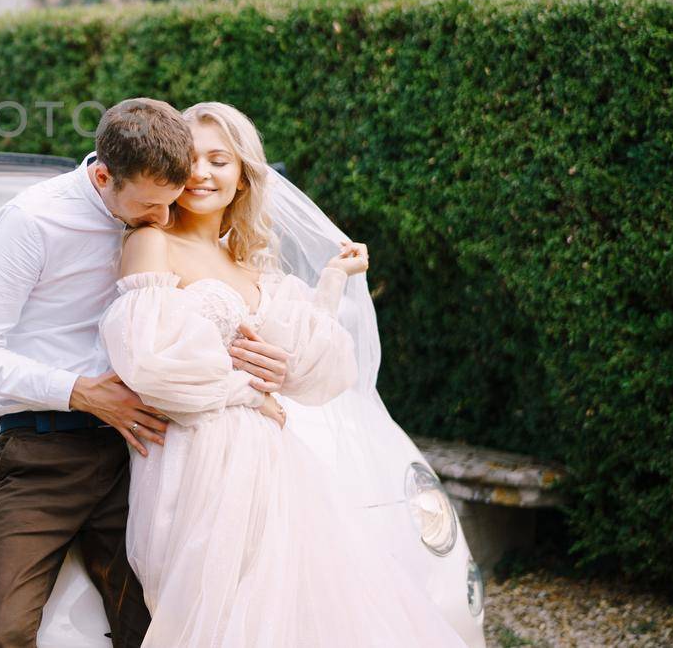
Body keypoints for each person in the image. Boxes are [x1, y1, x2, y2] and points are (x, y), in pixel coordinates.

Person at [100, 101, 463, 646]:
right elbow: (152, 363)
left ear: (243, 175)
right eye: (191, 158)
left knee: (296, 614)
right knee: (208, 615)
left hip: (276, 467)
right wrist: (251, 391)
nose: (202, 173)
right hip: (199, 461)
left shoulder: (252, 268)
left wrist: (332, 282)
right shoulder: (151, 243)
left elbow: (321, 371)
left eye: (219, 160)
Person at [0, 98, 292, 648]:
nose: (161, 219)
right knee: (3, 633)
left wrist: (261, 376)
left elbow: (195, 328)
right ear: (103, 176)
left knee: (162, 626)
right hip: (44, 456)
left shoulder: (161, 214)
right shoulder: (32, 219)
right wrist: (81, 392)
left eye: (171, 201)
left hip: (144, 454)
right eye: (150, 206)